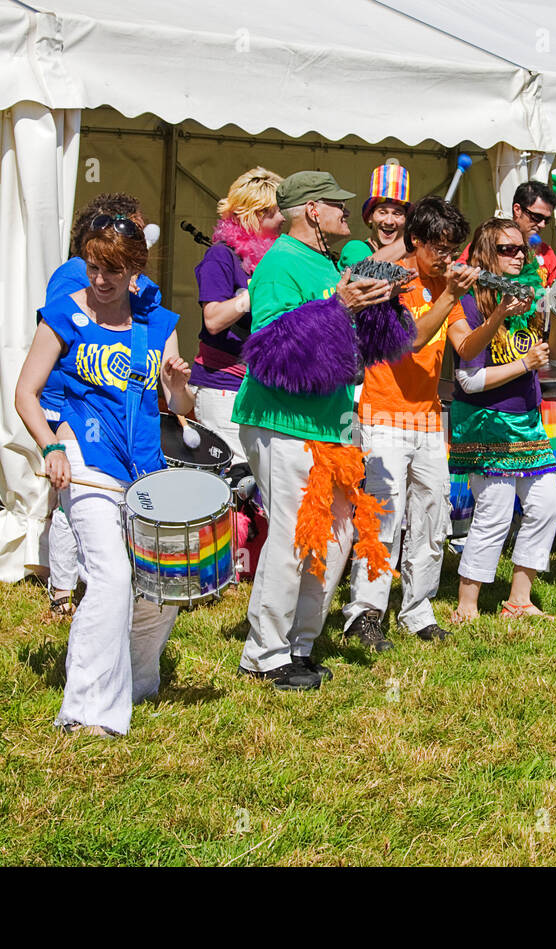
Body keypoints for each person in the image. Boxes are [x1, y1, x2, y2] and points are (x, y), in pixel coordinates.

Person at [232, 171, 414, 690]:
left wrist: (382, 302)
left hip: (332, 425)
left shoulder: (334, 263)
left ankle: (300, 646)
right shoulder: (278, 264)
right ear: (313, 210)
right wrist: (340, 306)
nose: (344, 212)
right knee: (292, 538)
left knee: (333, 539)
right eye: (337, 204)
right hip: (281, 424)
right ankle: (263, 654)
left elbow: (365, 348)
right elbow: (269, 351)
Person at [15, 209, 192, 737]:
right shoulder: (64, 314)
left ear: (135, 269)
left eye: (113, 269)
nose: (100, 279)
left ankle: (135, 682)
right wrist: (51, 446)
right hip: (85, 459)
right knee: (112, 578)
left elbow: (179, 405)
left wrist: (179, 385)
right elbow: (26, 391)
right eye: (94, 265)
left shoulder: (157, 323)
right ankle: (85, 712)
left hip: (143, 467)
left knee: (162, 587)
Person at [342, 197, 476, 650]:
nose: (446, 256)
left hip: (427, 418)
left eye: (453, 247)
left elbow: (468, 348)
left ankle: (417, 611)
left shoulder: (445, 285)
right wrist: (452, 295)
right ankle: (365, 613)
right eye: (438, 246)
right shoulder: (390, 280)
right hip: (382, 414)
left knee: (432, 518)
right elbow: (408, 340)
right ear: (414, 240)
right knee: (383, 518)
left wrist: (497, 314)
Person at [42, 193, 162, 616]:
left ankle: (101, 586)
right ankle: (61, 589)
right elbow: (60, 334)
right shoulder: (70, 276)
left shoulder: (136, 285)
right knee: (67, 502)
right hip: (67, 399)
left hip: (118, 409)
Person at [447, 218, 556, 622]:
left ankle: (519, 600)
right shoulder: (465, 302)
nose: (518, 255)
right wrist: (522, 363)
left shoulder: (529, 301)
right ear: (484, 255)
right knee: (494, 510)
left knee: (548, 503)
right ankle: (466, 605)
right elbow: (469, 378)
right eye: (506, 249)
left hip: (526, 421)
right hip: (485, 419)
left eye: (522, 249)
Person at [192, 167, 284, 463]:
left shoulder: (275, 260)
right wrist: (251, 294)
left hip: (262, 389)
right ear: (256, 214)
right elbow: (214, 320)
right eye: (277, 212)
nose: (284, 219)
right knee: (239, 480)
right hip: (224, 389)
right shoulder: (221, 256)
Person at [340, 159, 412, 269]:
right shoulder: (355, 249)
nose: (389, 221)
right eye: (382, 212)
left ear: (406, 220)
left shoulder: (410, 256)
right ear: (370, 217)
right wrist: (411, 238)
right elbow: (366, 271)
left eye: (397, 214)